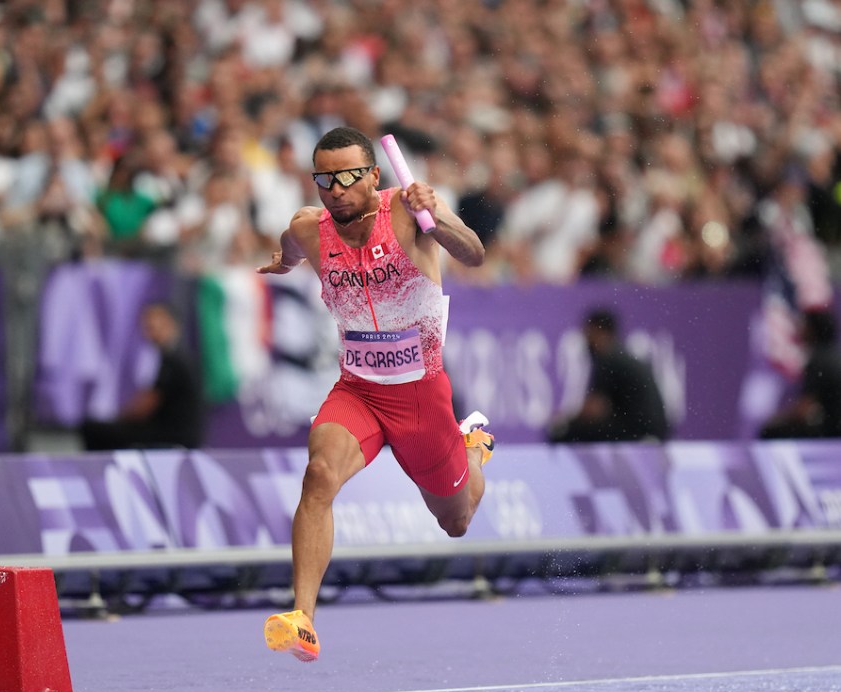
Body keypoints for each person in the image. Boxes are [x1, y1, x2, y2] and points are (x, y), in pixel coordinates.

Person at [256, 126, 494, 662]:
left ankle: (474, 445)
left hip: (421, 395)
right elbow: (292, 244)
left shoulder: (410, 211)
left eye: (345, 177)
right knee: (319, 474)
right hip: (359, 391)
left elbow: (474, 254)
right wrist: (284, 263)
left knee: (456, 521)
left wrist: (443, 215)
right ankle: (302, 618)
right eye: (324, 179)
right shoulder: (310, 228)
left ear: (373, 176)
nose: (334, 189)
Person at [78, 302, 205, 451]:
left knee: (93, 429)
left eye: (156, 326)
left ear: (172, 325)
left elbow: (146, 406)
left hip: (173, 434)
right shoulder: (176, 357)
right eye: (147, 327)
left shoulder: (173, 361)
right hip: (175, 430)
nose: (150, 332)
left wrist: (119, 418)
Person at [548, 308, 670, 443]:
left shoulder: (608, 359)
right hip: (654, 431)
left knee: (563, 432)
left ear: (598, 332)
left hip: (638, 433)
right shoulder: (620, 356)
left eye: (588, 332)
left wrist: (565, 420)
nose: (585, 338)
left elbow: (596, 409)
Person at [760, 308, 841, 439]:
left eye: (804, 325)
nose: (800, 330)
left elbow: (804, 408)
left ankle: (779, 460)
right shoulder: (835, 356)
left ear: (813, 330)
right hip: (835, 427)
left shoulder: (818, 361)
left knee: (769, 431)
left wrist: (779, 418)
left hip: (832, 430)